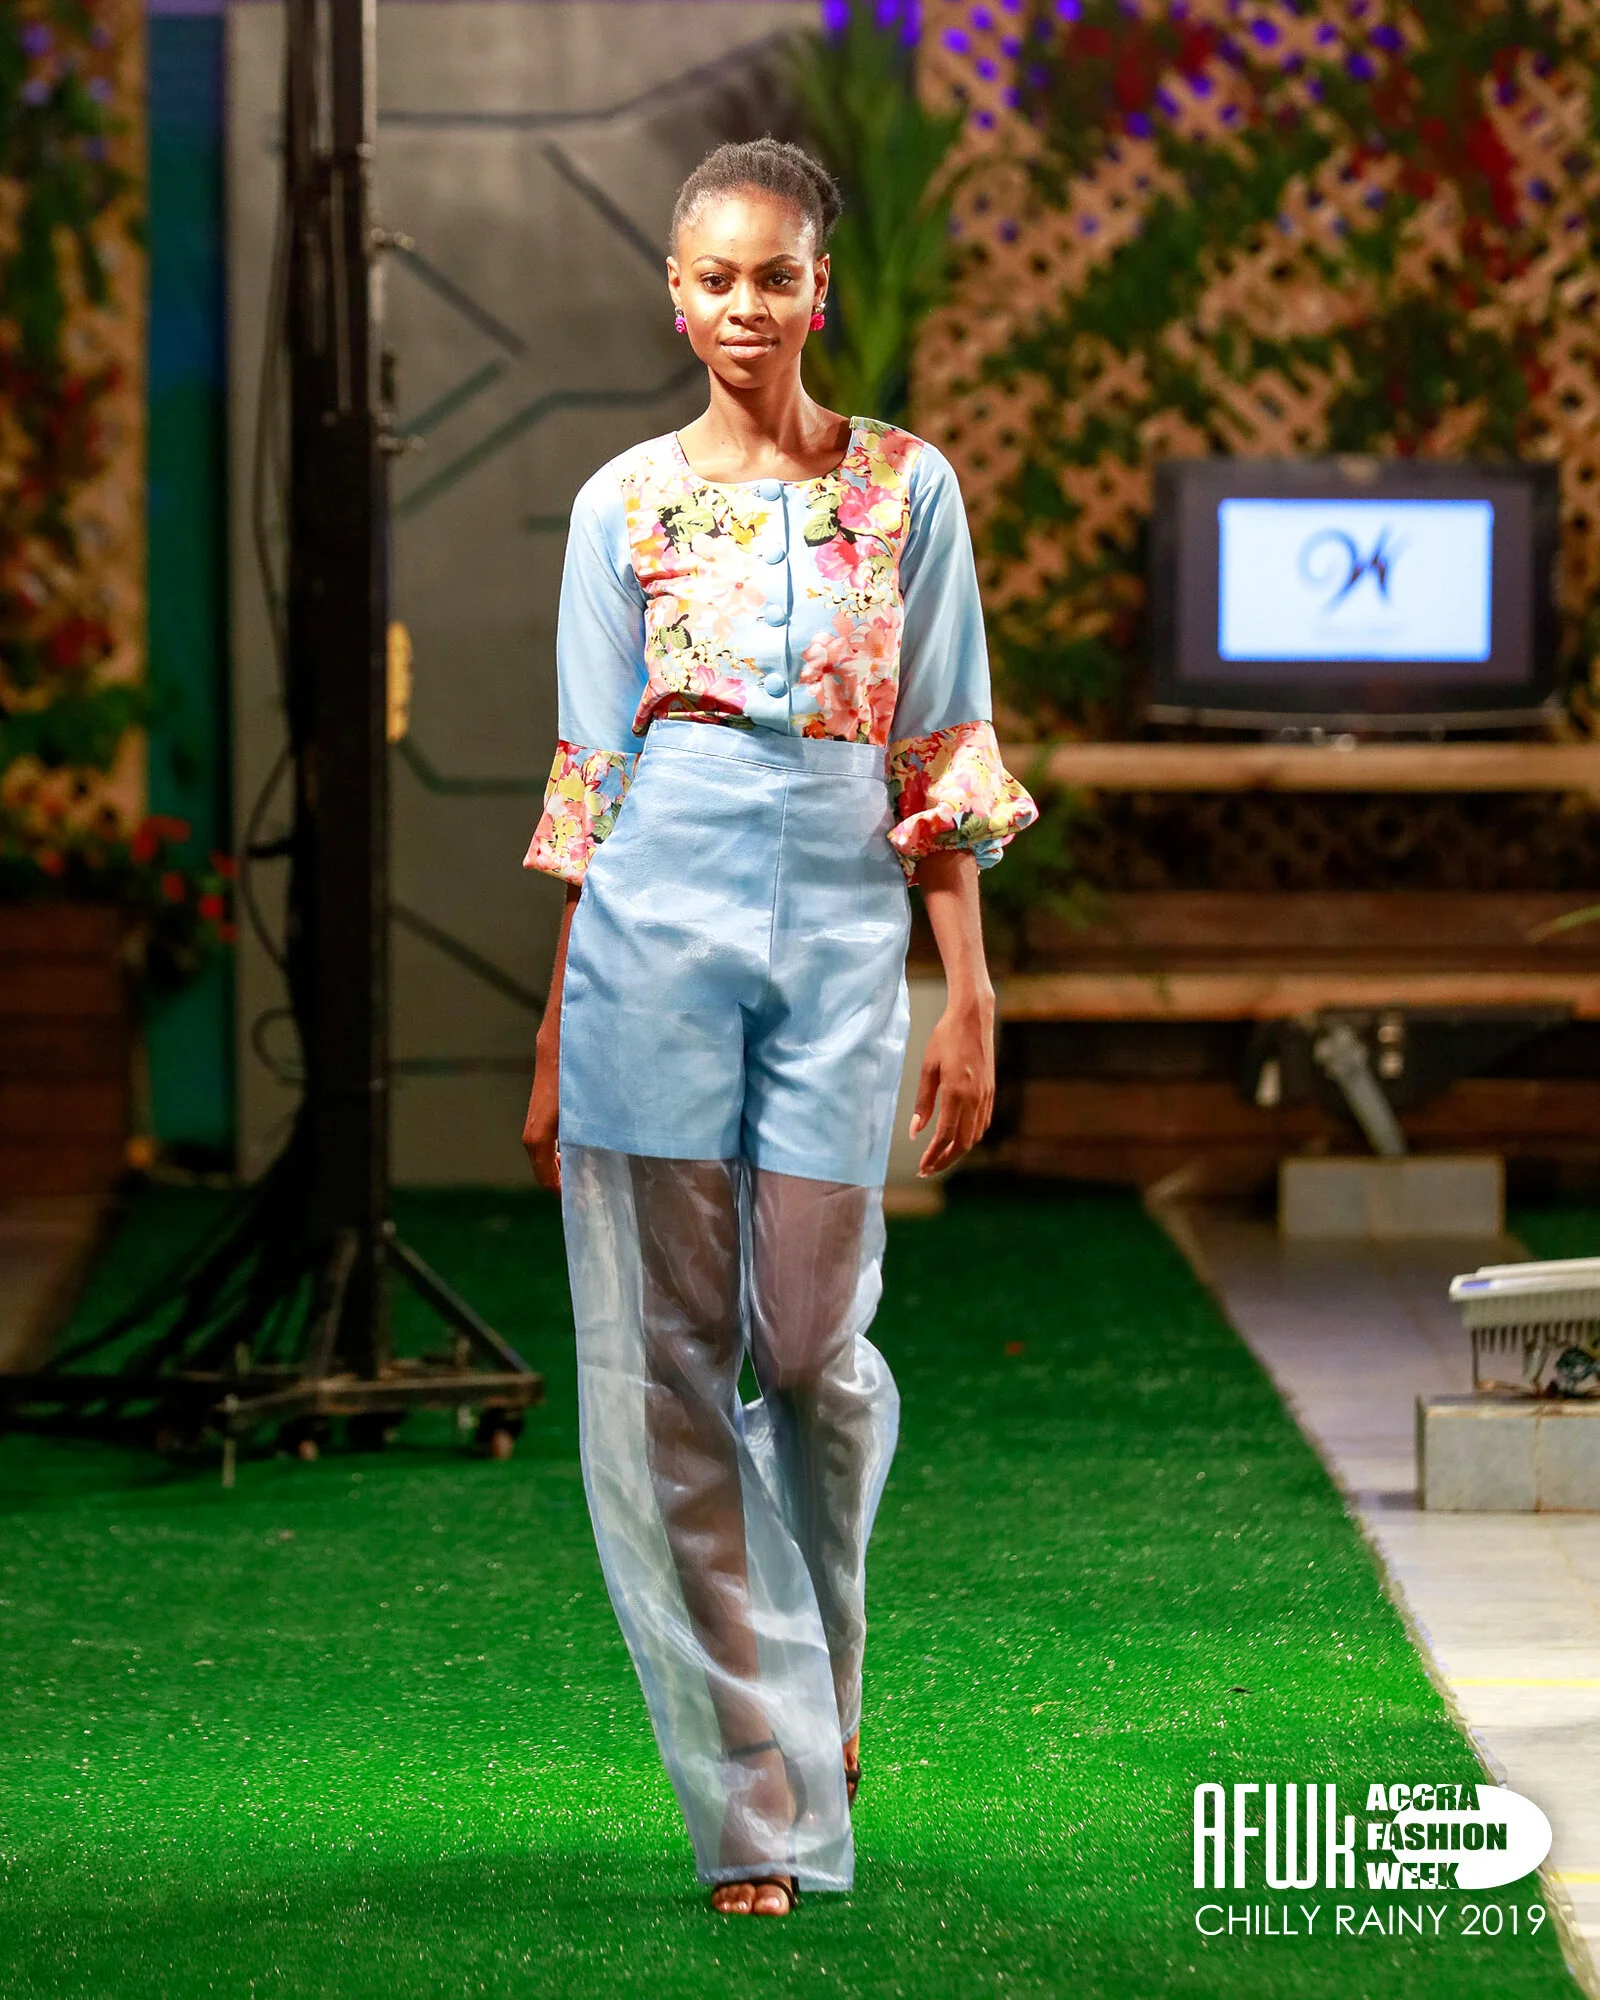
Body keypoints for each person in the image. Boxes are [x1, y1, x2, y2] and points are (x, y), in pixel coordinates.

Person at [520, 136, 1036, 1918]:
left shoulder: (907, 487)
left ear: (822, 291)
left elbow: (944, 746)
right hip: (649, 936)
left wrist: (969, 986)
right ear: (676, 296)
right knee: (673, 1372)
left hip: (837, 930)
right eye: (716, 277)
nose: (747, 305)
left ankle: (832, 1679)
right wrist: (553, 1029)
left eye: (777, 276)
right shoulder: (620, 504)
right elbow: (590, 774)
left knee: (809, 1346)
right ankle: (758, 1802)